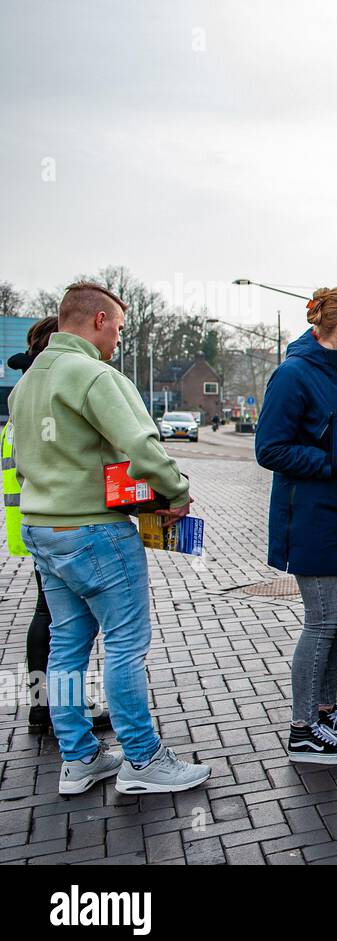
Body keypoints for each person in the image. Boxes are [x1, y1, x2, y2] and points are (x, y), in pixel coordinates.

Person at [8, 282, 211, 795]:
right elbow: (141, 443)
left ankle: (79, 759)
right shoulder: (93, 375)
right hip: (95, 529)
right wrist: (176, 490)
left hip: (42, 529)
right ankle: (142, 760)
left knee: (66, 646)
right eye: (118, 328)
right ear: (98, 320)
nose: (118, 339)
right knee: (125, 644)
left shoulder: (28, 381)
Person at [255, 286, 337, 764]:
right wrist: (333, 464)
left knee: (334, 623)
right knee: (322, 622)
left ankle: (326, 712)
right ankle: (303, 729)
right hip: (315, 518)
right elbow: (270, 448)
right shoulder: (293, 375)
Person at [3, 317, 113, 735]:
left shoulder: (25, 392)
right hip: (58, 522)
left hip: (33, 522)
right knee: (60, 623)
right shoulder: (49, 392)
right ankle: (51, 706)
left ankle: (45, 704)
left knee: (48, 617)